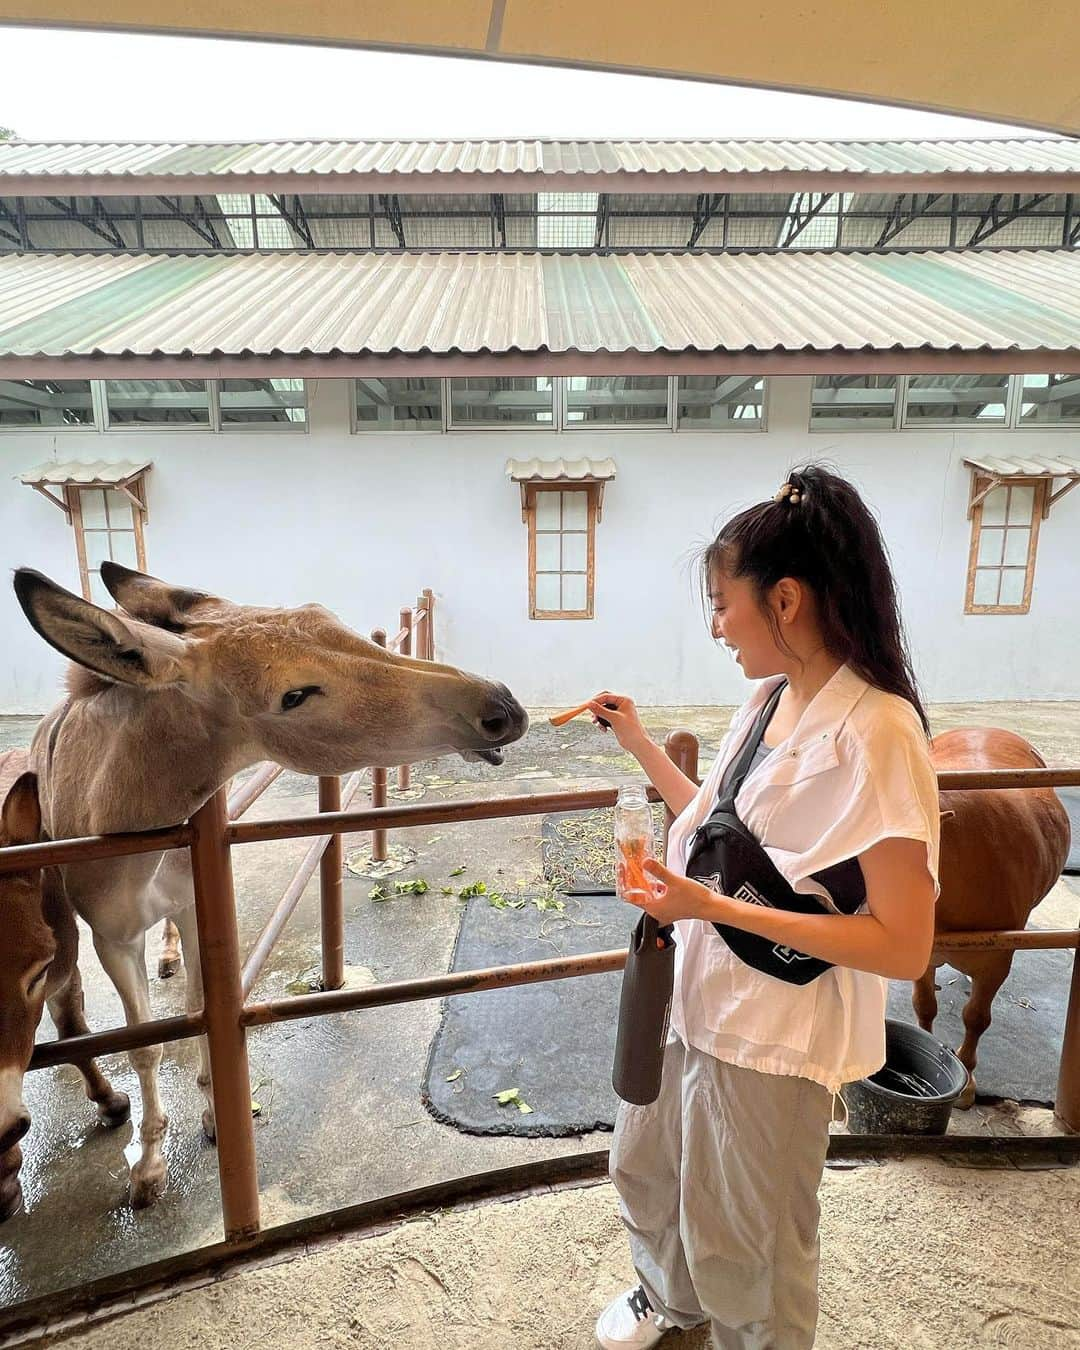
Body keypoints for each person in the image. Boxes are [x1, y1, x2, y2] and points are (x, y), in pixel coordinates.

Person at [590, 464, 941, 1350]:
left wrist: (716, 907)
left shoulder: (880, 733)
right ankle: (671, 1304)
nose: (716, 627)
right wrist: (640, 744)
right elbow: (718, 828)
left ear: (784, 601)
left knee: (751, 1244)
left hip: (775, 1034)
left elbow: (902, 945)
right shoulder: (767, 698)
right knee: (643, 1167)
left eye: (722, 603)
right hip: (690, 993)